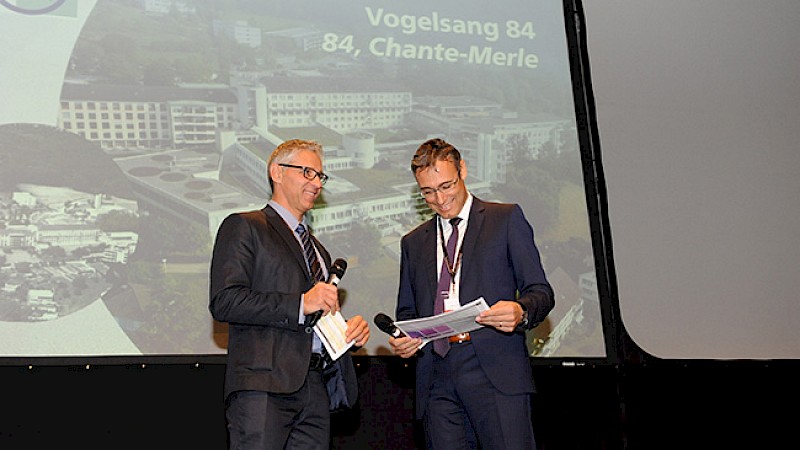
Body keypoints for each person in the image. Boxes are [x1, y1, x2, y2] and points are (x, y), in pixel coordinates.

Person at [389, 138, 555, 449]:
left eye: (446, 186)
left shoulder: (504, 219)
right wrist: (405, 340)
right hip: (436, 376)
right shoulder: (413, 242)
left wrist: (521, 311)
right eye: (428, 192)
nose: (440, 199)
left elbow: (541, 291)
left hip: (494, 369)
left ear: (462, 170)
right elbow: (408, 312)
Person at [209, 139, 370, 449]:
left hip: (316, 386)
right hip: (264, 384)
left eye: (320, 176)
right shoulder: (245, 226)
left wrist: (346, 331)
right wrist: (301, 303)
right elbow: (225, 300)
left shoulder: (319, 251)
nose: (316, 183)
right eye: (307, 172)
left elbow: (316, 314)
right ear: (277, 172)